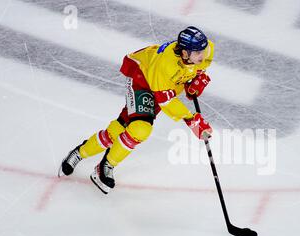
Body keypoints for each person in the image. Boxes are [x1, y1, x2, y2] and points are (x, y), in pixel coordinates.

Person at [58, 26, 214, 194]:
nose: (203, 55)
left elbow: (196, 70)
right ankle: (105, 165)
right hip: (142, 80)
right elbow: (166, 101)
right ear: (184, 53)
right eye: (198, 52)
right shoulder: (165, 64)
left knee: (119, 129)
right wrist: (192, 120)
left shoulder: (206, 51)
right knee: (140, 129)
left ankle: (80, 153)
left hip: (162, 87)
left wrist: (195, 80)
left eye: (203, 50)